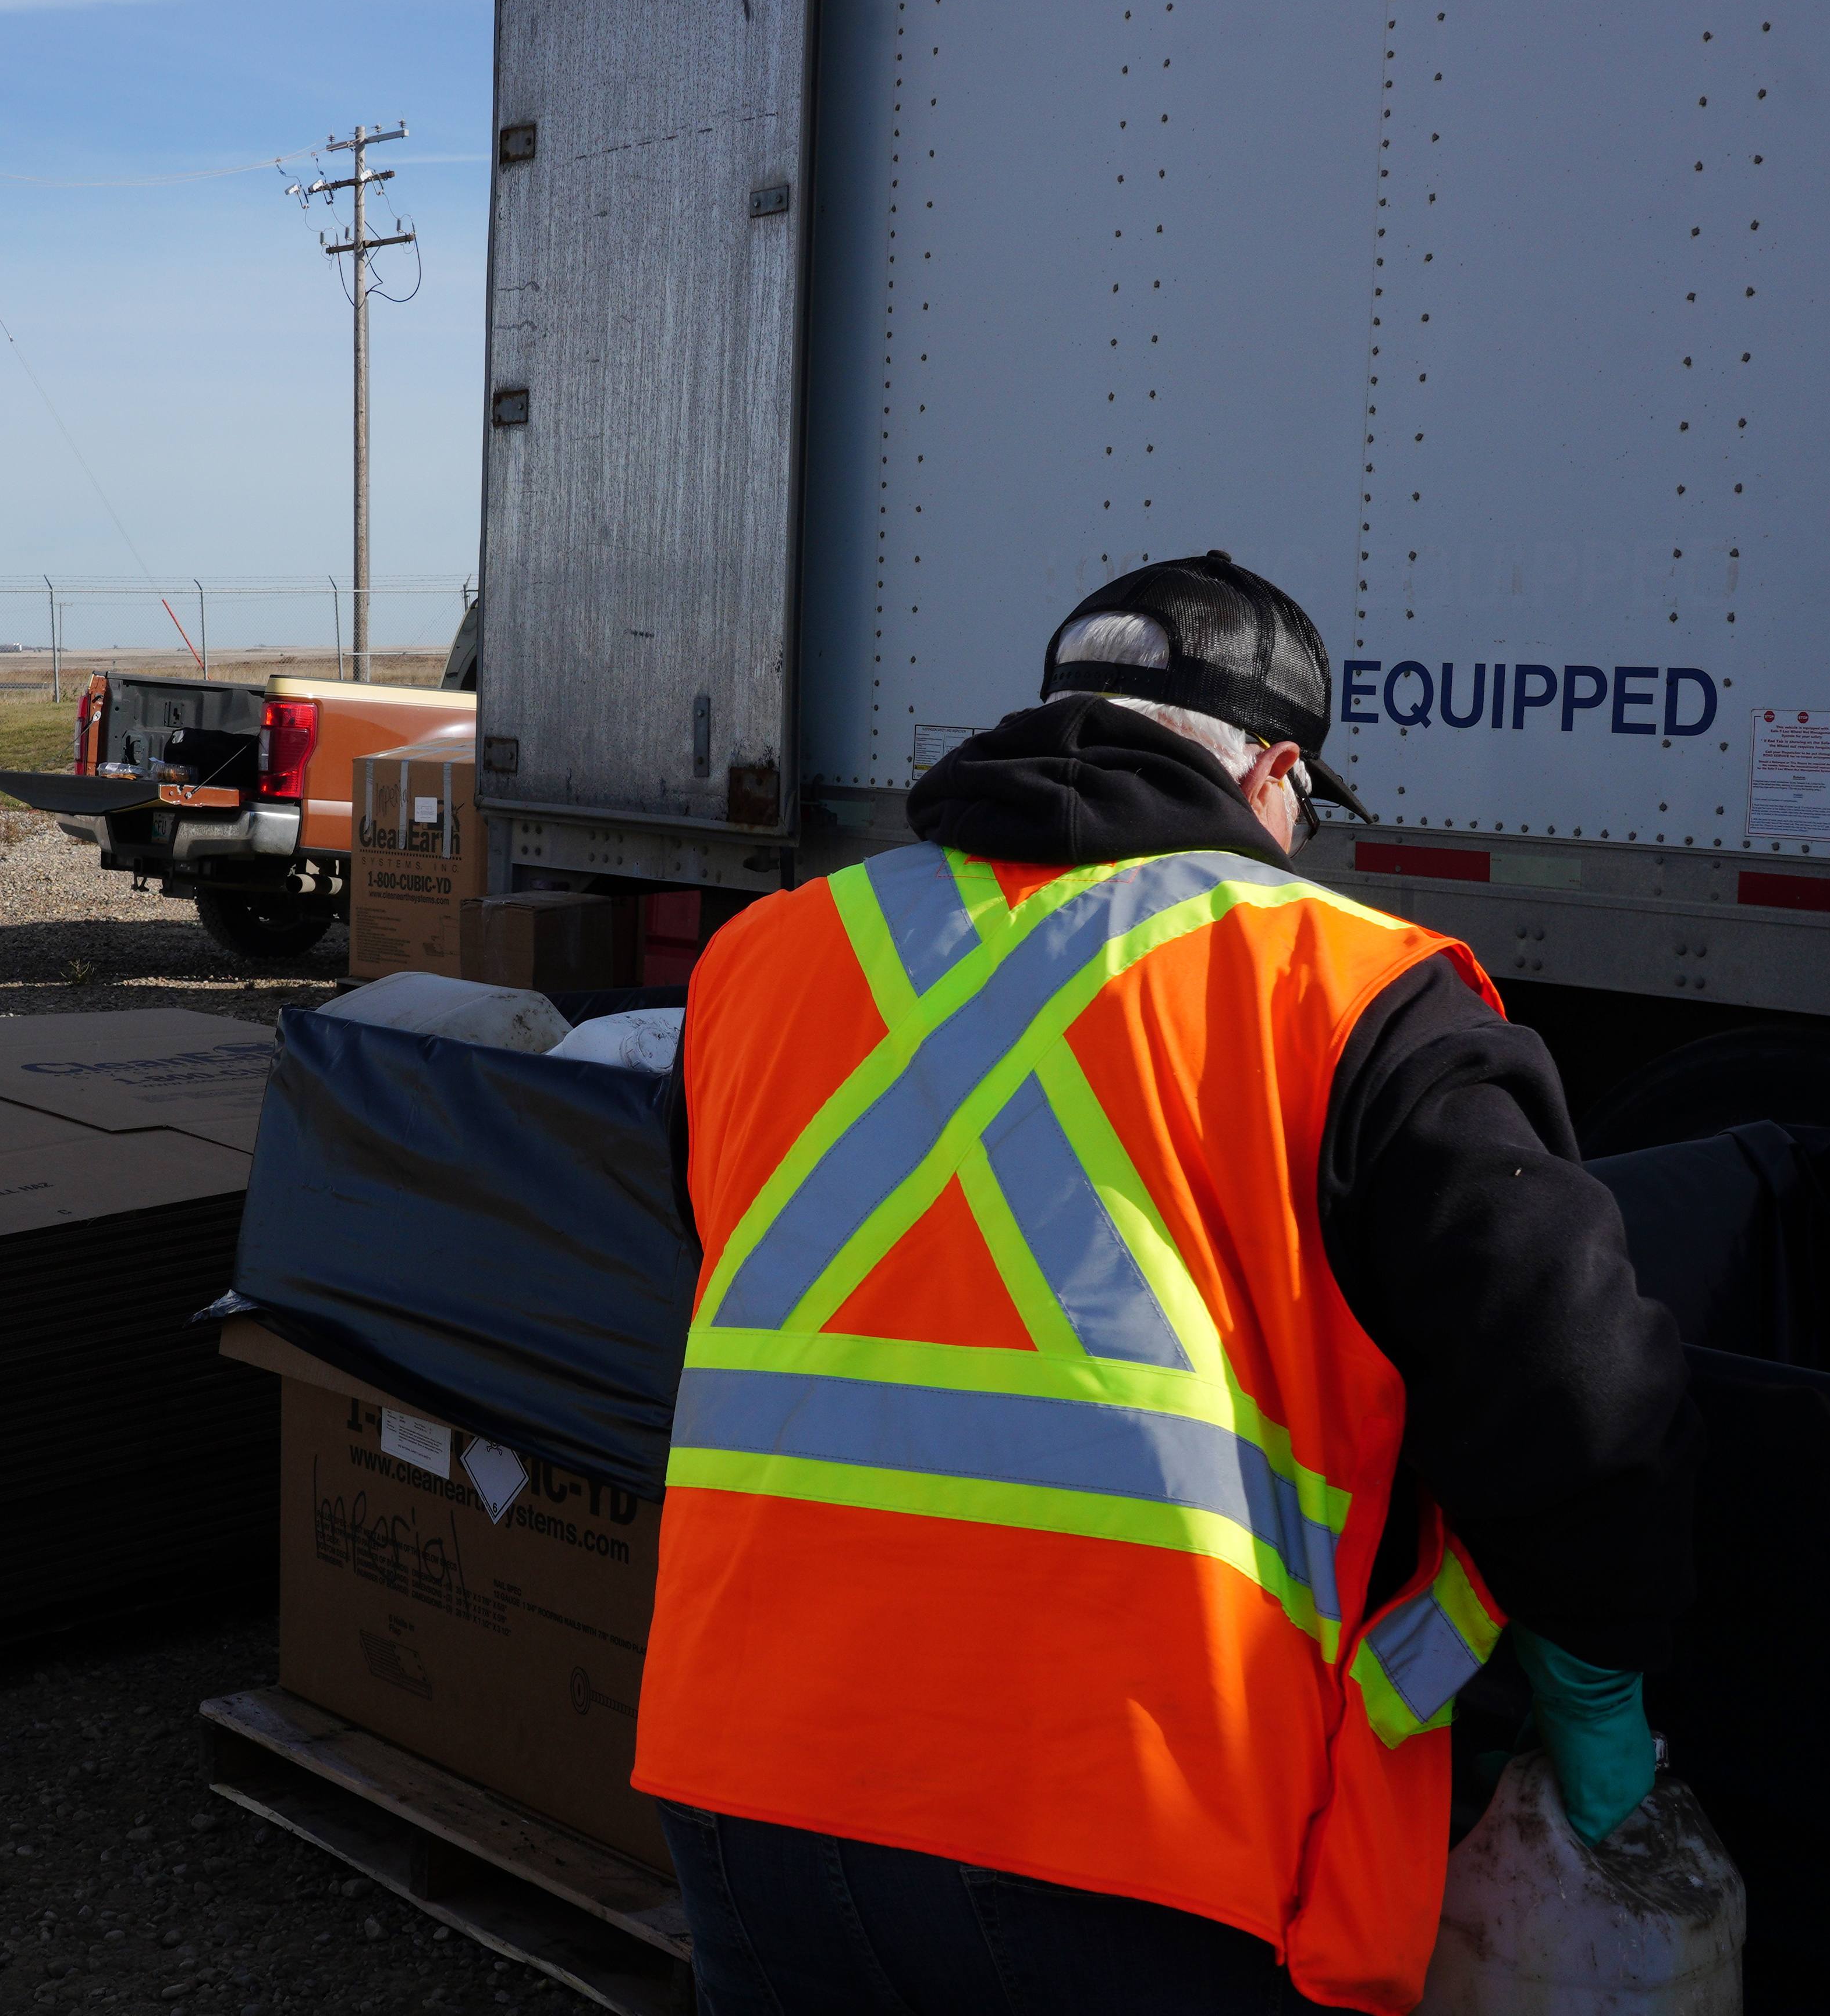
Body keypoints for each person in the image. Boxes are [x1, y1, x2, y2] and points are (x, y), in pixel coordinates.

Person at [634, 553, 1697, 2014]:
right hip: (1131, 1828)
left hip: (744, 1777)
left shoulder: (763, 955)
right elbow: (1570, 1393)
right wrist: (1599, 1671)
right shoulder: (1351, 987)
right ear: (1273, 776)